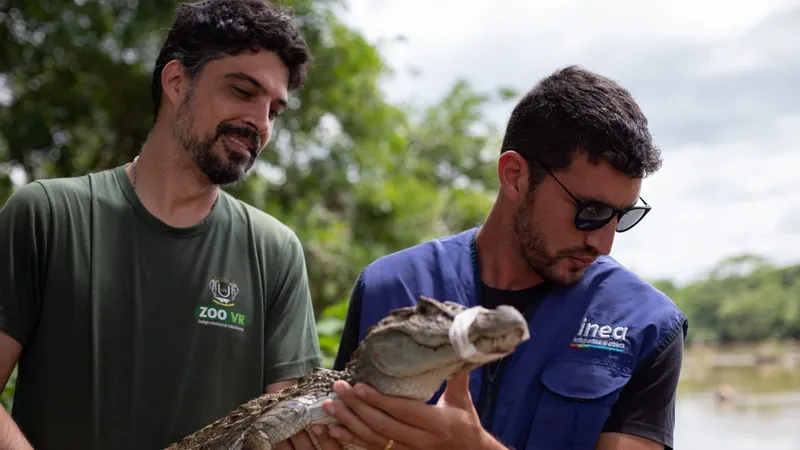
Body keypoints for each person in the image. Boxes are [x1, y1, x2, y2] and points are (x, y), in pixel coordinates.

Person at [0, 1, 341, 449]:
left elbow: (285, 431)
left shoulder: (274, 251)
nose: (259, 123)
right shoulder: (48, 215)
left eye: (274, 111)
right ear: (177, 81)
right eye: (242, 91)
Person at [324, 66, 688, 450]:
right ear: (514, 175)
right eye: (590, 211)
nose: (603, 243)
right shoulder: (390, 285)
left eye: (623, 216)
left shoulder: (648, 326)